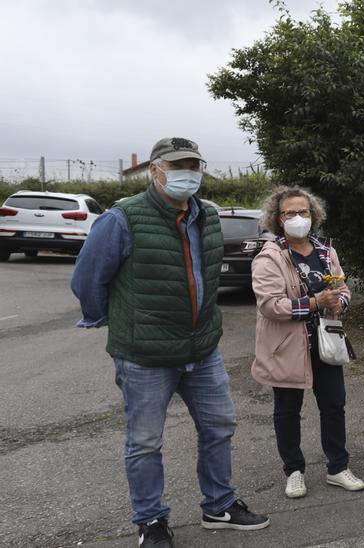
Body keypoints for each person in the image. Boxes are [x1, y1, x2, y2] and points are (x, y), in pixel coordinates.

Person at [70, 138, 269, 548]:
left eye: (194, 165)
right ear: (154, 170)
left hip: (202, 349)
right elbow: (88, 280)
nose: (188, 173)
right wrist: (112, 319)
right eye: (178, 165)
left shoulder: (208, 216)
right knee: (144, 442)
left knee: (219, 427)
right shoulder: (122, 218)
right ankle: (151, 522)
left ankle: (219, 505)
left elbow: (207, 280)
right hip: (145, 355)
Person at [250, 186, 364, 499]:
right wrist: (315, 302)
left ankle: (338, 468)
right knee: (287, 410)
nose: (297, 217)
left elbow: (342, 287)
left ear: (313, 216)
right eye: (290, 213)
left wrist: (339, 303)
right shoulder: (270, 256)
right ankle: (294, 471)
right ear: (278, 219)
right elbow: (271, 305)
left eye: (303, 212)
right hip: (286, 346)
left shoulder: (326, 251)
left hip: (325, 342)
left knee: (334, 404)